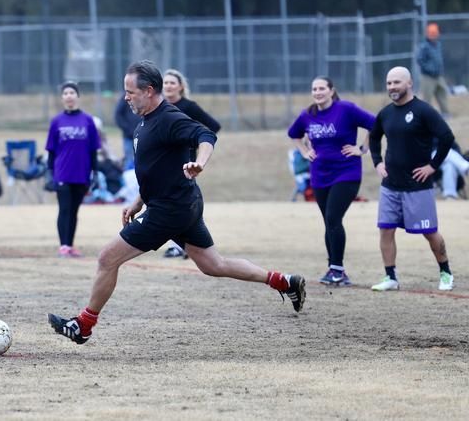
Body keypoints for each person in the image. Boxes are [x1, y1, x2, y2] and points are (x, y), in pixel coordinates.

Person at [48, 60, 306, 345]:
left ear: (148, 90)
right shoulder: (145, 120)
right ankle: (284, 281)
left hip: (170, 209)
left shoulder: (169, 117)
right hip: (180, 204)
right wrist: (138, 201)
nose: (126, 97)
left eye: (130, 92)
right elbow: (156, 169)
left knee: (107, 258)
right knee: (214, 265)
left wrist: (200, 163)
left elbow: (206, 134)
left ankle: (83, 325)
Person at [369, 66, 455, 292]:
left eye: (396, 82)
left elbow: (447, 137)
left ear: (409, 83)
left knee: (429, 232)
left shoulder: (423, 110)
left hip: (418, 187)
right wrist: (377, 162)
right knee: (386, 230)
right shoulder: (385, 113)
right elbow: (374, 137)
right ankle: (391, 277)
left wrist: (432, 166)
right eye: (389, 83)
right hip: (390, 186)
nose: (392, 87)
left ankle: (446, 273)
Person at [288, 76, 375, 287]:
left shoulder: (346, 109)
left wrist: (362, 149)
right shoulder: (308, 115)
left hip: (346, 173)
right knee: (329, 222)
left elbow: (376, 124)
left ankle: (338, 270)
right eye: (314, 89)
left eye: (322, 88)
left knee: (333, 217)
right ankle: (333, 268)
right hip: (319, 175)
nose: (317, 92)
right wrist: (305, 151)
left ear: (331, 91)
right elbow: (294, 134)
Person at [161, 68, 222, 259]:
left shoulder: (188, 106)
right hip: (164, 161)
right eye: (165, 82)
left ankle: (181, 245)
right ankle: (182, 244)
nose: (168, 86)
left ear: (180, 86)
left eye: (172, 82)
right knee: (167, 201)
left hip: (185, 163)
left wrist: (194, 142)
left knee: (180, 202)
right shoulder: (159, 106)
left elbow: (213, 126)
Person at [45, 81, 101, 258]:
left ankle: (70, 245)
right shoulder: (57, 121)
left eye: (72, 93)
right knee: (65, 209)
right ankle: (63, 246)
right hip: (62, 172)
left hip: (81, 173)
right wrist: (49, 173)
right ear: (62, 98)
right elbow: (51, 151)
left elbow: (93, 150)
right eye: (65, 93)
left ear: (78, 96)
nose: (69, 96)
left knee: (74, 210)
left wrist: (95, 173)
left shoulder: (88, 120)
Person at [417, 23, 450, 117]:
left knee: (442, 93)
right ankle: (425, 116)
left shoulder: (438, 45)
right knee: (427, 98)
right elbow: (420, 60)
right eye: (432, 34)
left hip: (438, 75)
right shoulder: (424, 46)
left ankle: (445, 113)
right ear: (428, 34)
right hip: (427, 77)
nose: (434, 36)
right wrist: (429, 69)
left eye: (435, 34)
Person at [114, 92, 141, 169]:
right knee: (129, 161)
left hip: (144, 136)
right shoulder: (126, 97)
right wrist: (128, 130)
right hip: (129, 137)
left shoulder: (145, 95)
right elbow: (118, 115)